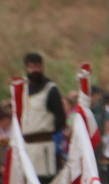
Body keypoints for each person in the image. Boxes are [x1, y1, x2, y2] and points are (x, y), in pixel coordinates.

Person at [21, 52, 65, 184]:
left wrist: (48, 134)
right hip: (26, 147)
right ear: (26, 68)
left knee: (44, 180)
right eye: (31, 66)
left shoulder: (50, 89)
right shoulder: (23, 88)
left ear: (42, 67)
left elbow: (60, 118)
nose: (35, 69)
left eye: (37, 66)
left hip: (43, 146)